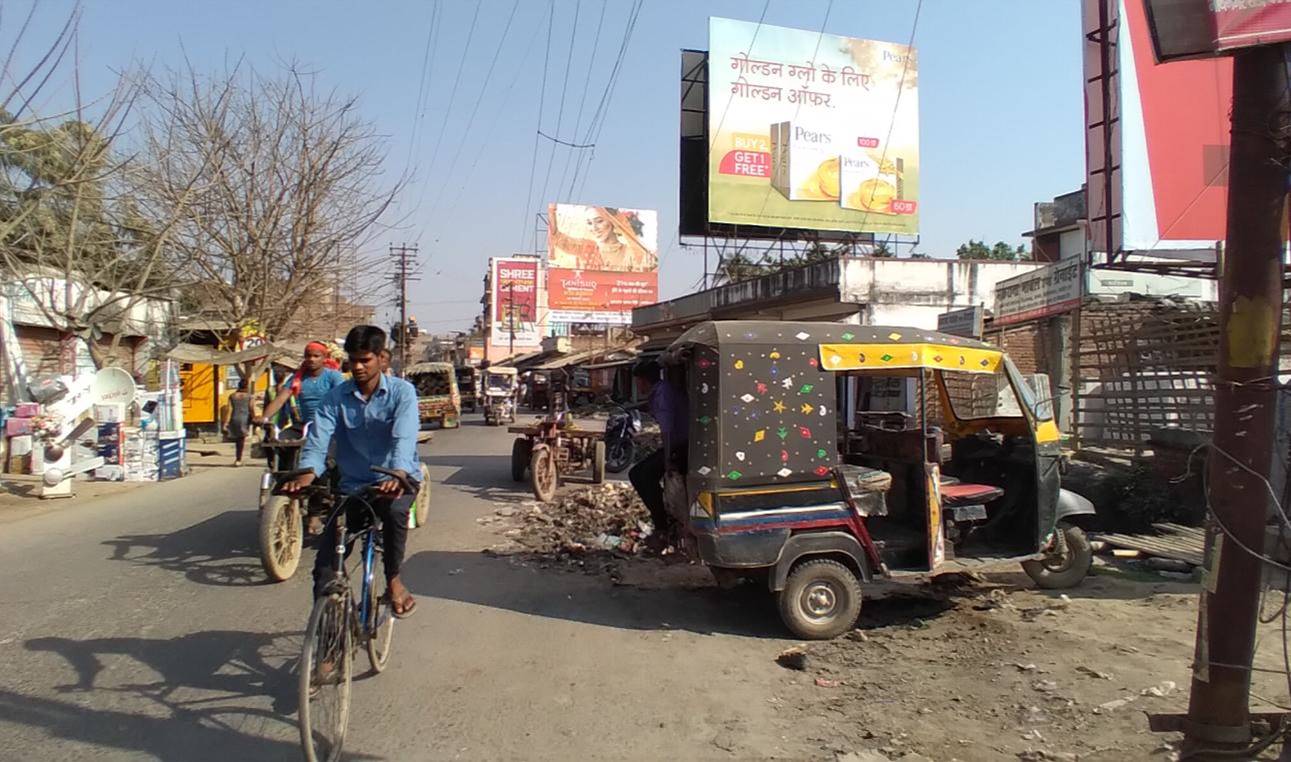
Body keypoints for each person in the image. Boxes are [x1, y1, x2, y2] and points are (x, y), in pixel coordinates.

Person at [286, 326, 421, 618]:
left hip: (396, 480)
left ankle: (394, 580)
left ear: (382, 358)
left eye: (365, 360)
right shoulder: (335, 398)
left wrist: (396, 472)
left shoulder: (402, 392)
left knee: (396, 514)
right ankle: (328, 637)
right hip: (353, 486)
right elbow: (319, 441)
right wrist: (306, 474)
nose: (358, 367)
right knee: (325, 564)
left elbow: (404, 436)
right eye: (353, 360)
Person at [627, 359, 688, 551]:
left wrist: (669, 458)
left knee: (641, 474)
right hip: (679, 443)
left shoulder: (662, 394)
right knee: (640, 473)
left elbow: (667, 430)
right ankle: (662, 518)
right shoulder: (661, 390)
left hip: (681, 445)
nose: (637, 385)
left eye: (638, 381)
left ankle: (662, 524)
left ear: (644, 381)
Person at [256, 341, 345, 436]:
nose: (311, 359)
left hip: (330, 424)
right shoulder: (297, 378)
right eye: (308, 356)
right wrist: (264, 417)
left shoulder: (333, 376)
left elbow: (342, 398)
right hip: (305, 425)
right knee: (278, 442)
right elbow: (280, 399)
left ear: (324, 358)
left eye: (316, 356)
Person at [222, 379, 255, 467]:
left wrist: (225, 422)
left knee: (238, 439)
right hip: (245, 419)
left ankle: (238, 458)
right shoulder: (250, 396)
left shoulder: (232, 396)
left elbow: (228, 409)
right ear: (247, 386)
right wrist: (254, 417)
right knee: (241, 439)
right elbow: (251, 408)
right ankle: (238, 459)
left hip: (235, 418)